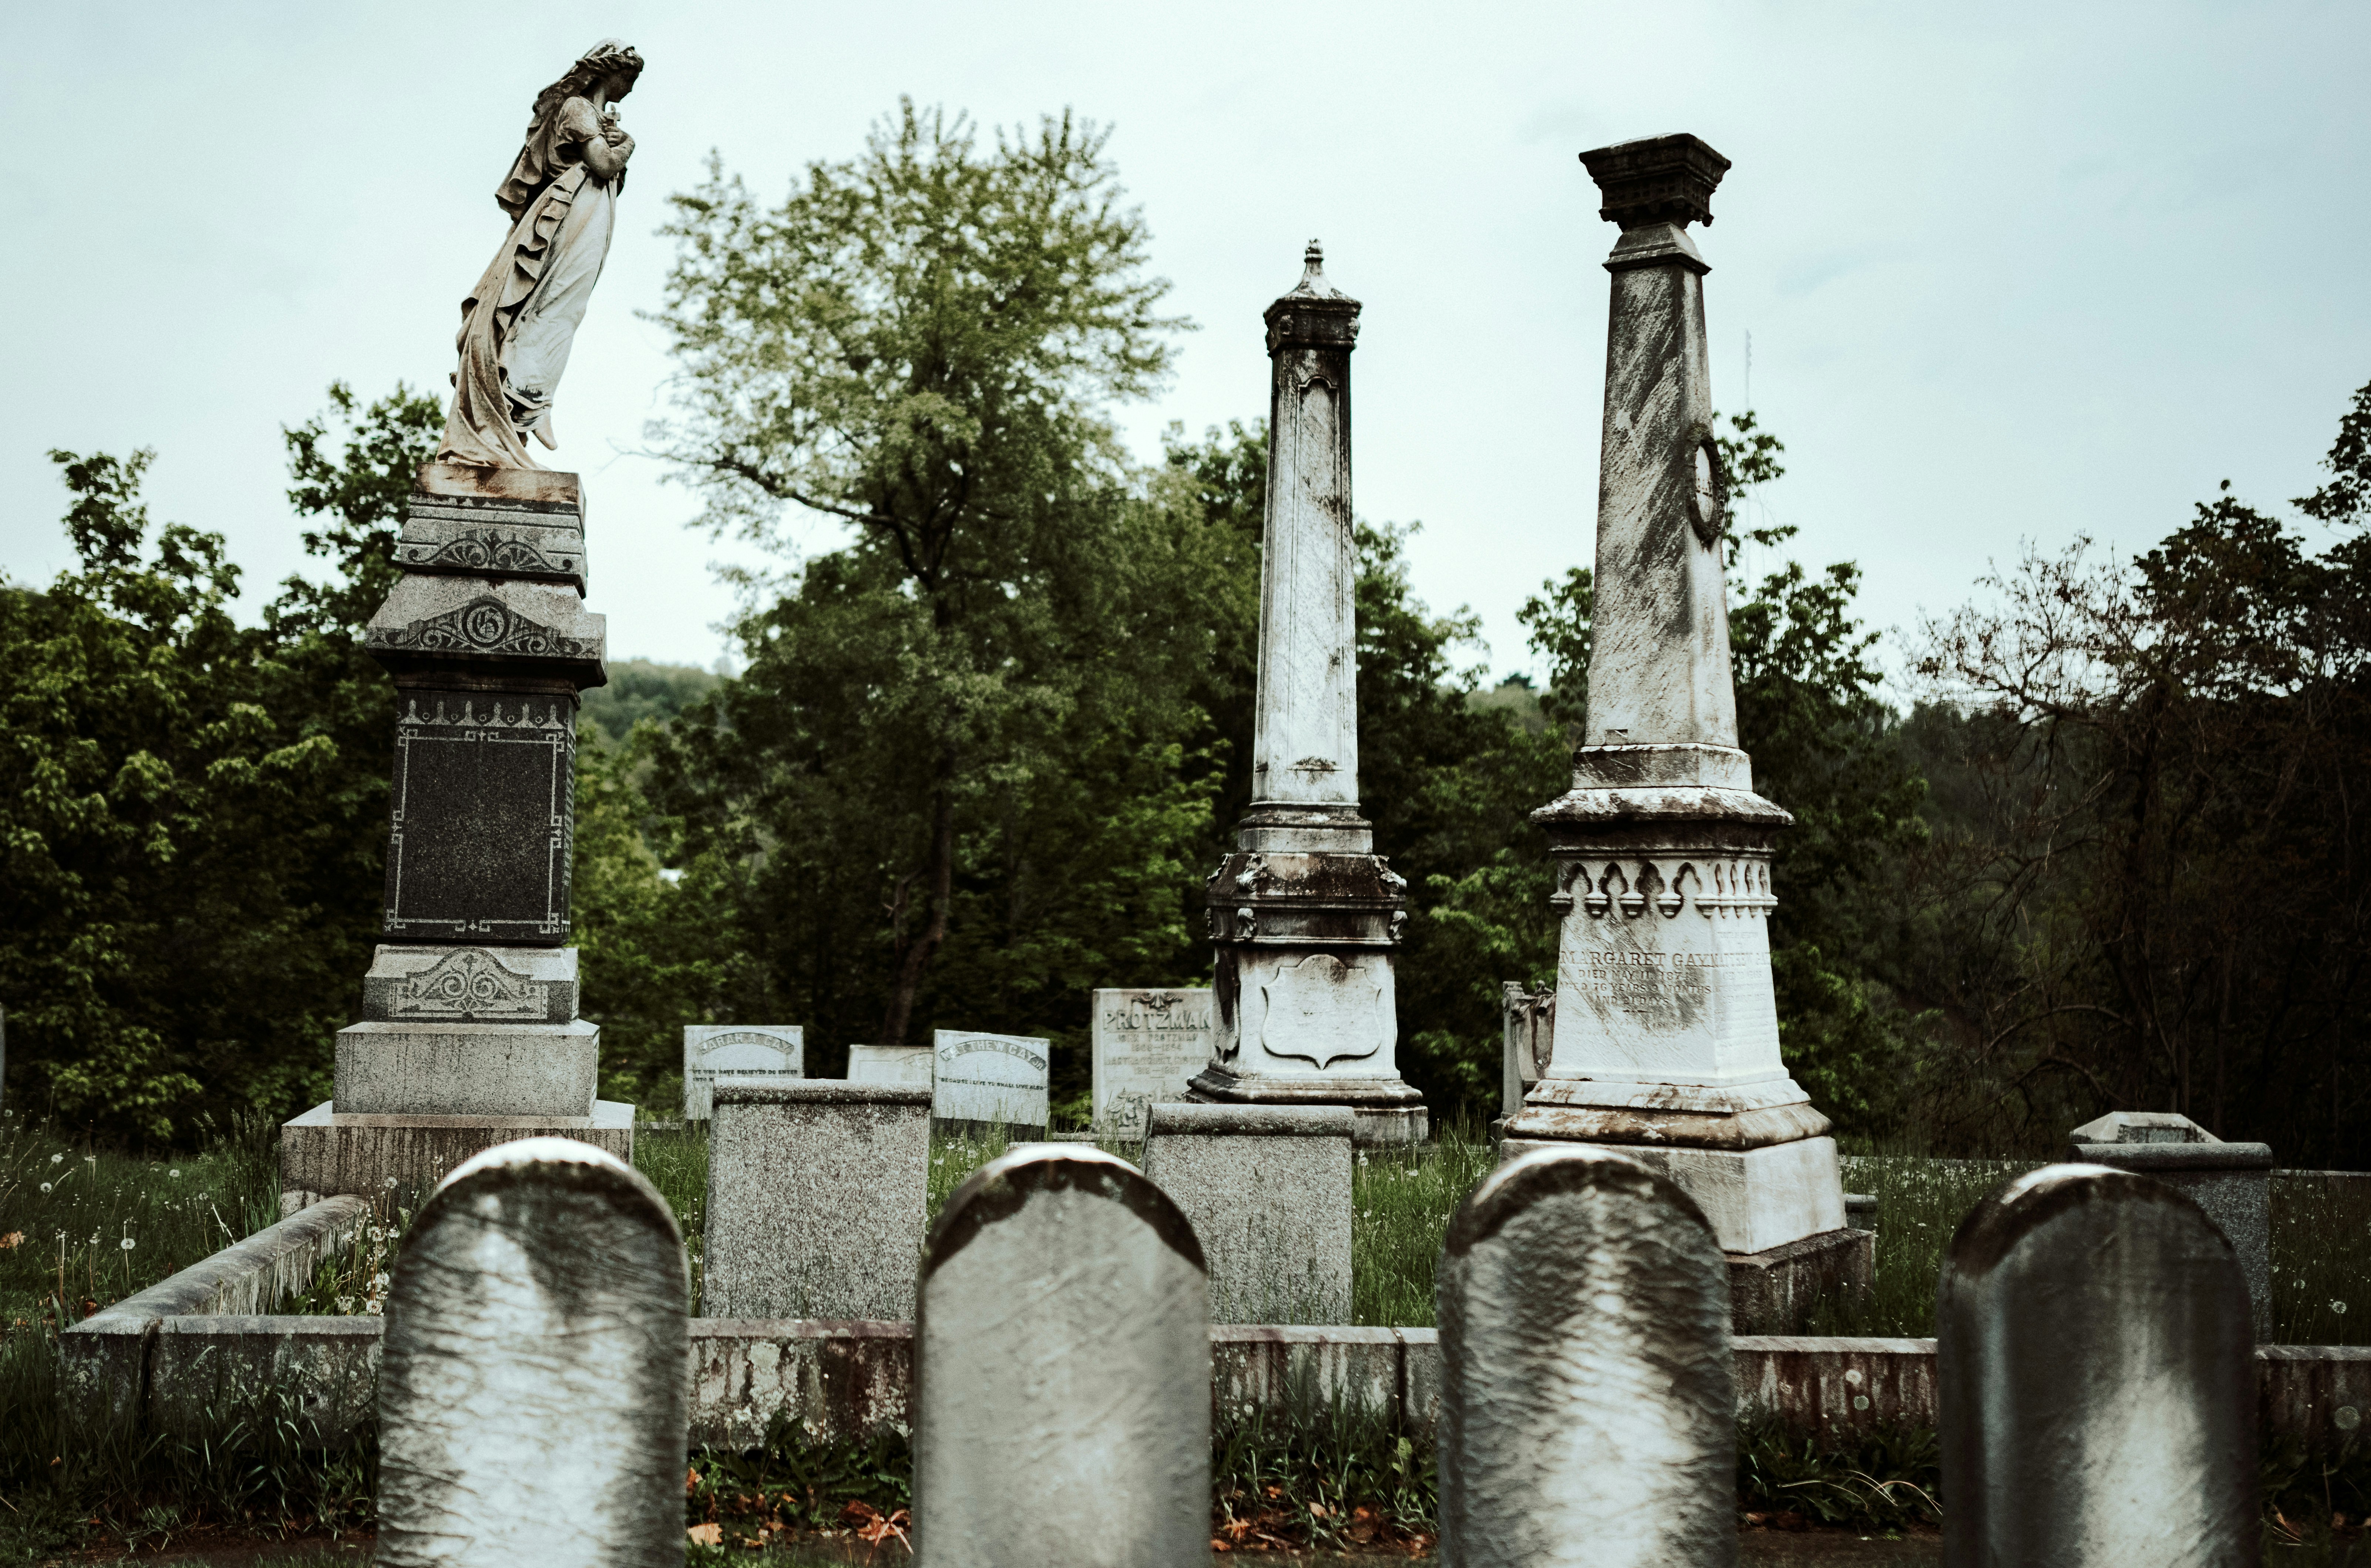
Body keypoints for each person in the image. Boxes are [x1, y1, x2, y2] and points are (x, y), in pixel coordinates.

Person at [436, 40, 644, 470]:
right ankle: (516, 396)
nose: (633, 87)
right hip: (569, 213)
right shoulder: (578, 107)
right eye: (632, 77)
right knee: (549, 303)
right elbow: (603, 164)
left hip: (587, 212)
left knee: (566, 307)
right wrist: (627, 147)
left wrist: (616, 148)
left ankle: (520, 412)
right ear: (612, 71)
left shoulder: (594, 116)